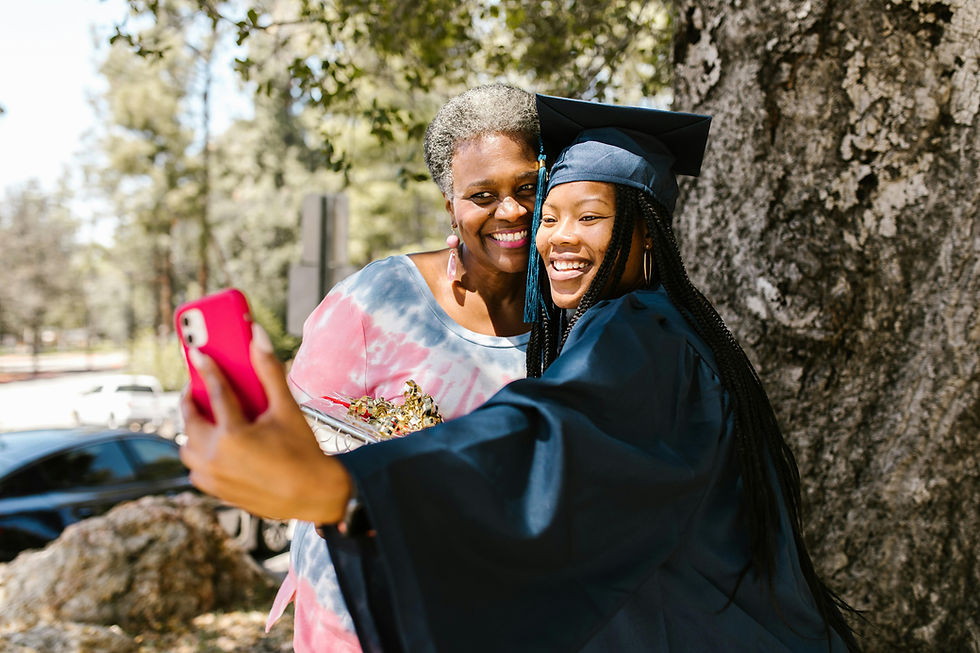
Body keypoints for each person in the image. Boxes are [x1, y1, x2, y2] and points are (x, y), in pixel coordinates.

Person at [181, 94, 861, 652]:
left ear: (647, 232)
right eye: (553, 215)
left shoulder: (641, 337)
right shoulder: (629, 326)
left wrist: (347, 491)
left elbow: (551, 441)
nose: (554, 234)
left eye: (586, 216)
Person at [264, 83, 541, 651]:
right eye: (482, 194)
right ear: (452, 205)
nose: (509, 211)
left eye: (527, 187)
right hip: (362, 608)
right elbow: (293, 446)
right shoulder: (379, 301)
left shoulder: (569, 313)